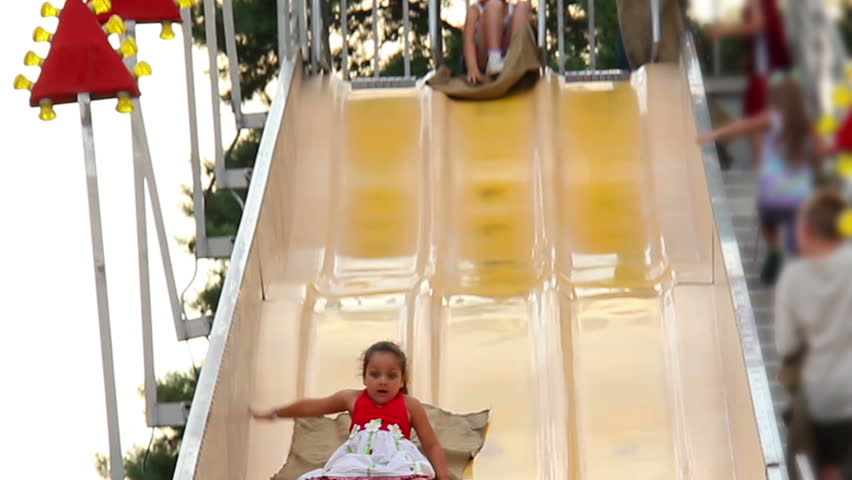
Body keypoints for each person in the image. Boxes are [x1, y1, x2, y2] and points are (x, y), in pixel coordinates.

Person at [251, 341, 449, 480]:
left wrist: (443, 476)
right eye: (375, 374)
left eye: (391, 375)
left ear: (402, 380)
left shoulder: (409, 404)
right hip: (357, 458)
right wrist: (276, 412)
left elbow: (431, 444)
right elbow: (314, 406)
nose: (382, 381)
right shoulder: (352, 398)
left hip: (395, 460)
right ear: (364, 377)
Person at [698, 75, 827, 284]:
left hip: (773, 192)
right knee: (799, 225)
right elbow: (822, 150)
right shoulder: (807, 122)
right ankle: (798, 257)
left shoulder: (772, 118)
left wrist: (711, 135)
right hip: (800, 194)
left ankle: (775, 250)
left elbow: (742, 126)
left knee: (768, 218)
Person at [774, 190, 852, 480]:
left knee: (818, 464)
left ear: (806, 230)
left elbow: (786, 342)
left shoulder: (794, 278)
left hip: (821, 395)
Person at [706, 0, 791, 163]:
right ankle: (765, 168)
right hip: (768, 75)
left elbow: (758, 25)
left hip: (766, 78)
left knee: (761, 127)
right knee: (765, 127)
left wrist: (725, 30)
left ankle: (763, 168)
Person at [463, 0, 533, 85]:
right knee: (494, 5)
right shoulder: (476, 9)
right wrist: (472, 68)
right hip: (485, 58)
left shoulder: (512, 9)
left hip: (507, 55)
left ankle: (512, 58)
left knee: (523, 6)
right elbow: (469, 40)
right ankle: (494, 59)